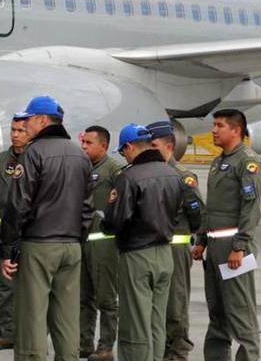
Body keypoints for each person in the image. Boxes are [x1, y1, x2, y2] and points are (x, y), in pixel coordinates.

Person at [0, 95, 92, 361]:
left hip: (39, 245)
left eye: (28, 120)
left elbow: (18, 205)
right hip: (71, 246)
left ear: (41, 120)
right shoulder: (79, 153)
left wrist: (8, 248)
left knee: (32, 318)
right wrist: (76, 239)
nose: (24, 125)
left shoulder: (33, 153)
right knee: (66, 318)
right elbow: (87, 207)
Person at [102, 124, 201, 361]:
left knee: (135, 322)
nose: (123, 155)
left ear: (130, 147)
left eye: (123, 151)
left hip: (137, 255)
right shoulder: (173, 175)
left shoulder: (129, 177)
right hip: (165, 254)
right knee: (157, 322)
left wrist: (105, 220)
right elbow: (193, 214)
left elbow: (116, 220)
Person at [191, 109, 261, 361]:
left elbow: (251, 208)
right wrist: (201, 240)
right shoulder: (219, 161)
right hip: (214, 245)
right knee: (218, 312)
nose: (213, 130)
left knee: (240, 312)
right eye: (214, 125)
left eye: (219, 125)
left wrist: (240, 246)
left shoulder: (247, 162)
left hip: (234, 248)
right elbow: (211, 208)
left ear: (236, 130)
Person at [147, 120, 205, 361]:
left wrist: (189, 236)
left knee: (175, 303)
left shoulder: (183, 177)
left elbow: (198, 213)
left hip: (174, 249)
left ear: (168, 145)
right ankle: (160, 347)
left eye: (153, 144)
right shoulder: (148, 173)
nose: (148, 148)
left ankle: (179, 350)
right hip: (152, 248)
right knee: (154, 303)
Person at [0, 117, 29, 352]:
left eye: (21, 130)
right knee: (6, 285)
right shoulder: (2, 159)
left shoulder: (35, 157)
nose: (16, 134)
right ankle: (6, 332)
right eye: (13, 130)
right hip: (4, 232)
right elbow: (1, 191)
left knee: (32, 287)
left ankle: (30, 334)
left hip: (29, 232)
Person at [78, 126, 123, 361]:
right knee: (84, 297)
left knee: (106, 298)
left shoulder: (113, 170)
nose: (84, 146)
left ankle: (105, 346)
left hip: (104, 244)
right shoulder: (83, 168)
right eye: (83, 142)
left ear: (103, 146)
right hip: (83, 242)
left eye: (89, 143)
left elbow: (124, 202)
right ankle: (84, 342)